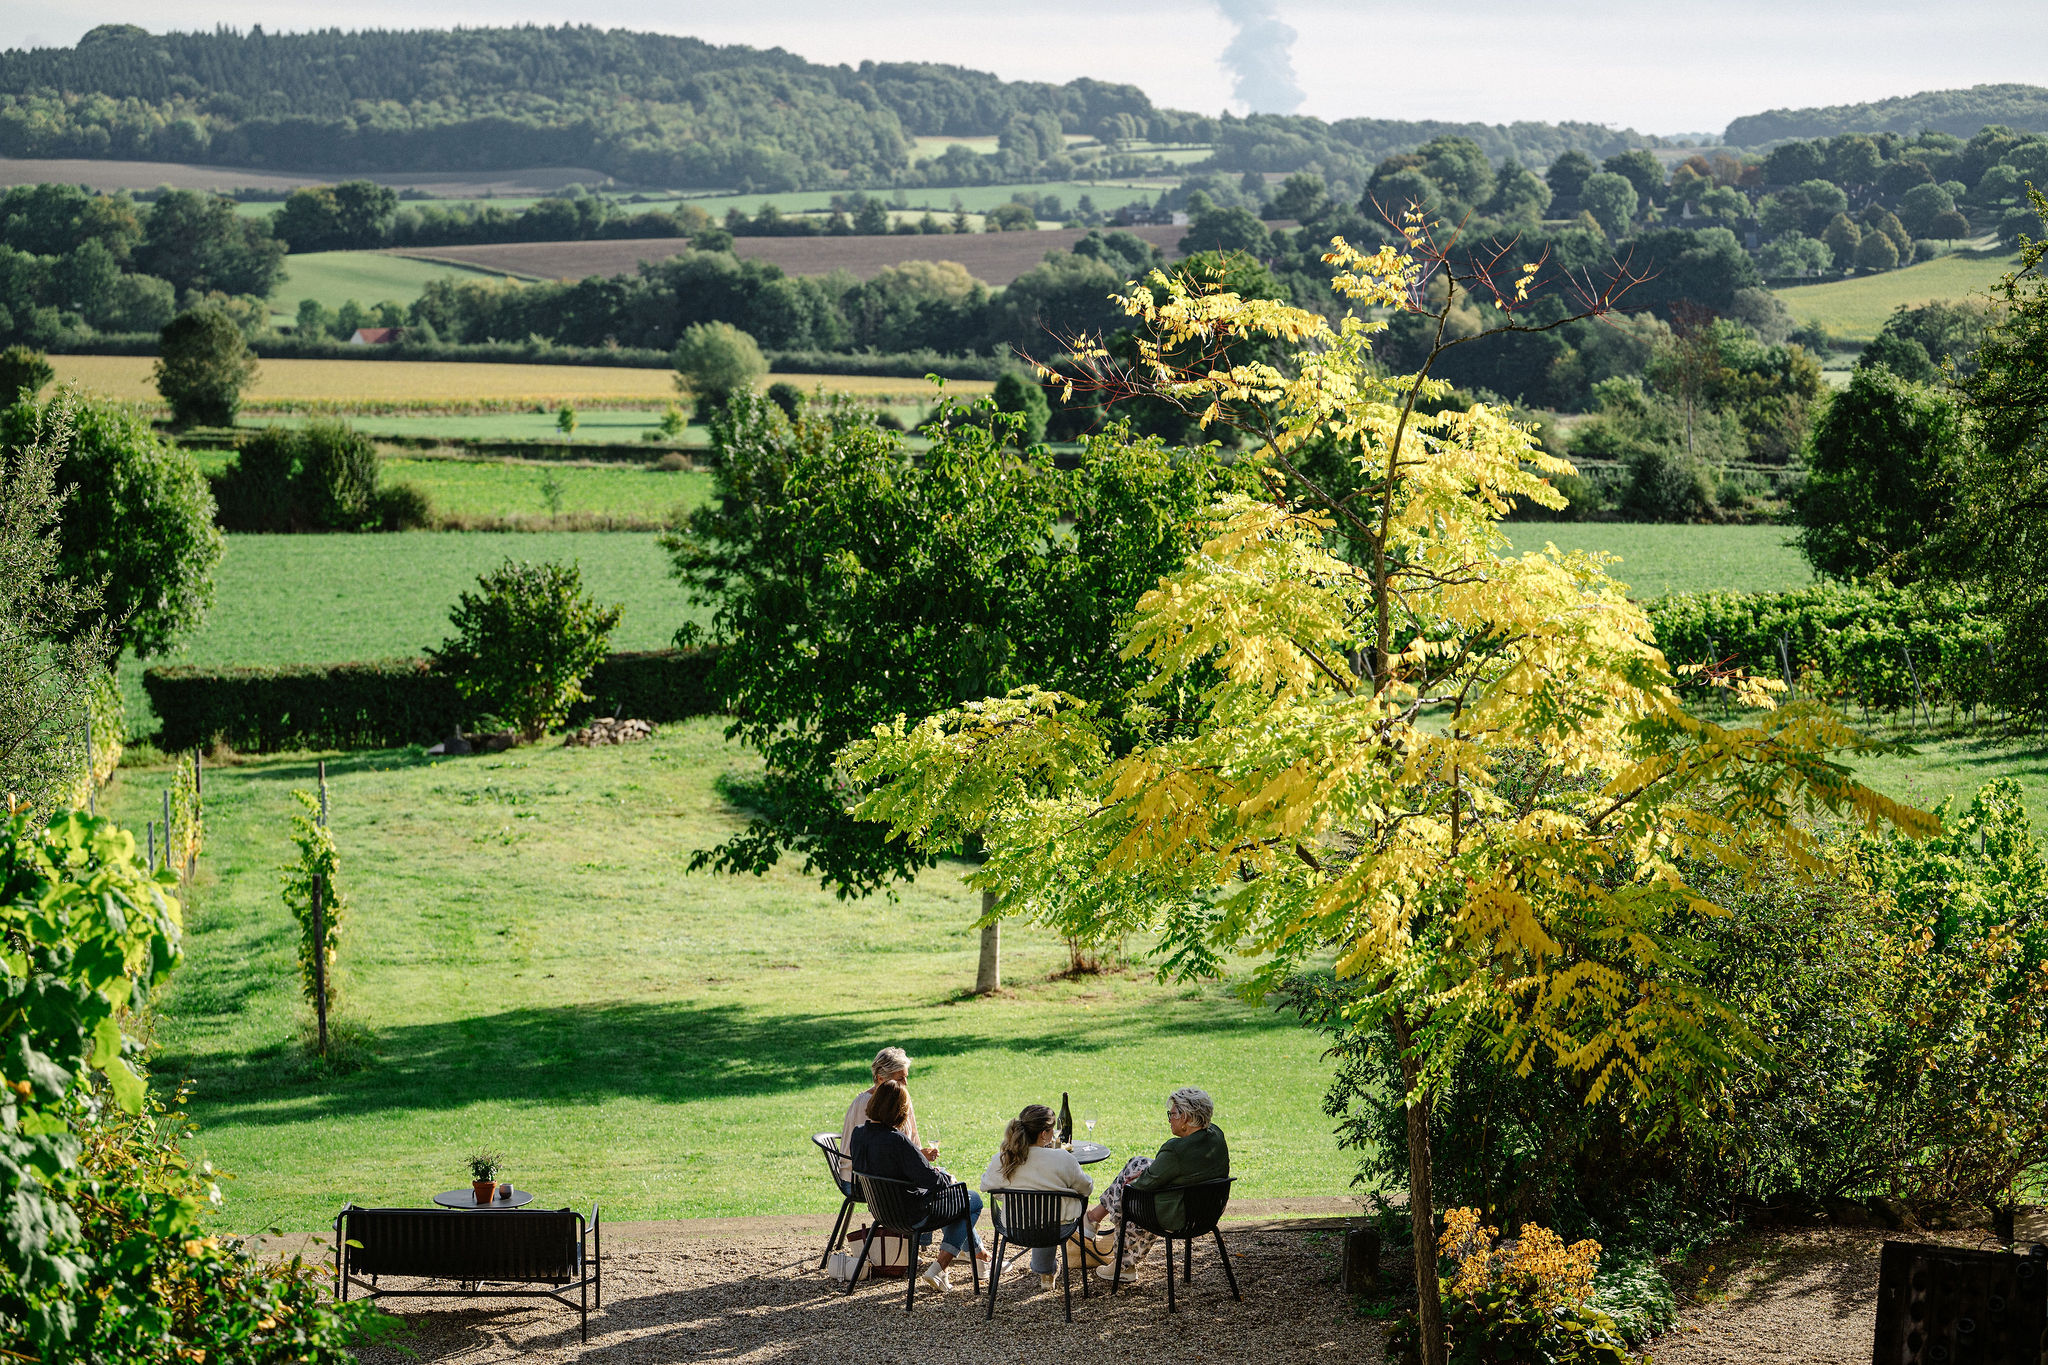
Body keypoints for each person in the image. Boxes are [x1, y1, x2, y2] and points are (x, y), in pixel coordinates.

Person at [847, 1078, 984, 1295]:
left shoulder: (858, 1134)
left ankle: (978, 1255)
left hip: (881, 1212)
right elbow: (931, 1181)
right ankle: (941, 1267)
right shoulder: (897, 1141)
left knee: (958, 1201)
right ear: (899, 1111)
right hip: (913, 1214)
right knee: (971, 1200)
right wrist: (948, 1179)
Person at [1088, 1086, 1228, 1279]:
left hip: (1179, 1216)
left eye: (1172, 1114)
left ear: (1185, 1118)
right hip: (1207, 1212)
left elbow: (1143, 1185)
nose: (1170, 1119)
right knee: (1138, 1164)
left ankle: (1121, 1263)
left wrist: (1134, 1180)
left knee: (1129, 1193)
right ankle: (1095, 1221)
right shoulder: (1216, 1136)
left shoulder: (1176, 1150)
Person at [979, 1103, 1093, 1289]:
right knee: (1049, 1218)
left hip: (1015, 1226)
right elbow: (1086, 1189)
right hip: (1057, 1229)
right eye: (1052, 1129)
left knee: (1039, 1217)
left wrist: (1007, 1197)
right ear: (1044, 1134)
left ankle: (1045, 1270)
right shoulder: (1063, 1159)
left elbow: (986, 1185)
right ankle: (1046, 1270)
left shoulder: (1004, 1158)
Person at [835, 1046, 928, 1189]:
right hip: (864, 1182)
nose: (905, 1083)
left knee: (945, 1183)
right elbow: (875, 1158)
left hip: (898, 1175)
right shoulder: (866, 1104)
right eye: (900, 1078)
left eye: (906, 1077)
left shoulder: (903, 1097)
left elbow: (913, 1138)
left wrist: (921, 1156)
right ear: (880, 1078)